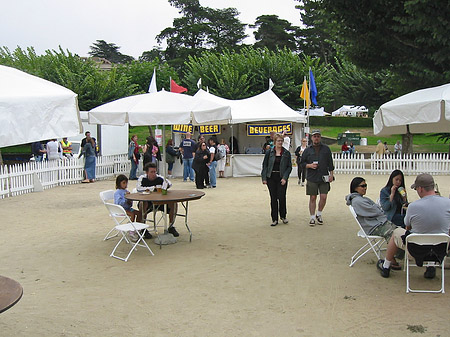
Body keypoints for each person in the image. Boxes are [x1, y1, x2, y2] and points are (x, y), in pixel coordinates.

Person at [377, 173, 450, 278]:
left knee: (397, 232)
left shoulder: (414, 206)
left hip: (416, 250)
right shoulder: (447, 203)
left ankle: (386, 266)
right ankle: (430, 266)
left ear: (420, 189)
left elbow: (407, 226)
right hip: (441, 249)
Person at [345, 177, 400, 267]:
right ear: (355, 188)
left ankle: (395, 255)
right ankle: (391, 259)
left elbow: (376, 209)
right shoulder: (357, 201)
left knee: (398, 231)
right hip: (373, 226)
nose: (365, 188)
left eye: (365, 185)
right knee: (395, 234)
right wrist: (379, 210)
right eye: (362, 186)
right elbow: (376, 211)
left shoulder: (361, 199)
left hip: (376, 223)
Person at [300, 129, 335, 226]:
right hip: (312, 177)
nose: (316, 138)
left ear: (320, 138)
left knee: (323, 197)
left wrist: (331, 174)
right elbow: (302, 163)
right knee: (313, 197)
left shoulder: (326, 149)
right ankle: (312, 217)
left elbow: (330, 163)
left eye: (318, 136)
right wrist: (309, 166)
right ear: (312, 138)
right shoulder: (307, 150)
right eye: (314, 136)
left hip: (324, 176)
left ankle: (319, 214)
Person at [136, 163, 179, 237]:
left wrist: (166, 185)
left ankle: (171, 226)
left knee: (173, 203)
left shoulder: (159, 178)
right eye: (151, 172)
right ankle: (142, 228)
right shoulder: (142, 179)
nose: (154, 174)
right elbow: (139, 188)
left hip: (160, 202)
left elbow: (169, 183)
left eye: (155, 172)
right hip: (148, 202)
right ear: (146, 172)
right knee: (142, 204)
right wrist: (152, 188)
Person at [261, 133, 292, 226]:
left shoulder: (286, 153)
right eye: (278, 141)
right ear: (274, 142)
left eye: (281, 141)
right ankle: (274, 218)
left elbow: (289, 167)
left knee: (281, 197)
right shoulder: (269, 152)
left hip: (281, 177)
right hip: (271, 177)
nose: (280, 142)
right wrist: (264, 178)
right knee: (273, 198)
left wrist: (285, 178)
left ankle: (283, 215)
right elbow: (265, 165)